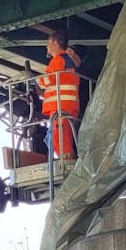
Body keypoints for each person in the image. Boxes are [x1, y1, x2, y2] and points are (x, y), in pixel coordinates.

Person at [37, 30, 82, 159]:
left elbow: (47, 80)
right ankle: (67, 161)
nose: (47, 46)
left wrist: (38, 80)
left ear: (56, 43)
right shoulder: (69, 61)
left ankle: (66, 164)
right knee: (64, 137)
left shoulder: (58, 59)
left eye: (49, 43)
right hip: (68, 106)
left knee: (60, 139)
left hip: (60, 106)